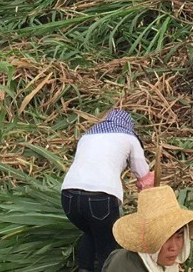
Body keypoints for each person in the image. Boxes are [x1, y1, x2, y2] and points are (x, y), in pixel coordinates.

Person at [61, 109, 155, 272]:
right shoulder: (129, 137)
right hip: (101, 197)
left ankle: (84, 269)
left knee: (90, 232)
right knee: (108, 247)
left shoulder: (87, 136)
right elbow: (143, 175)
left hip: (68, 196)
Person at [102, 186, 193, 272]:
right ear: (149, 237)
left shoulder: (162, 265)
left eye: (179, 235)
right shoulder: (125, 265)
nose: (174, 248)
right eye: (166, 238)